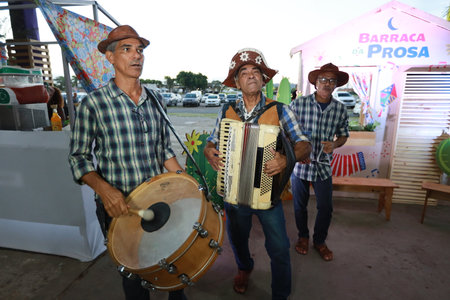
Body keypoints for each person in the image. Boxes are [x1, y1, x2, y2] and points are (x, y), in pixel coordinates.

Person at [68, 25, 187, 300]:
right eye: (127, 49)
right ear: (110, 57)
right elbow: (79, 157)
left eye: (140, 50)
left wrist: (187, 184)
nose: (137, 56)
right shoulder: (94, 104)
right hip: (121, 209)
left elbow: (164, 150)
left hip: (159, 201)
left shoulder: (157, 101)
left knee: (174, 266)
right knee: (134, 277)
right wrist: (104, 190)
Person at [204, 48, 311, 300]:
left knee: (280, 248)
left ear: (264, 79)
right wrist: (210, 151)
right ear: (237, 81)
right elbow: (212, 142)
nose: (251, 76)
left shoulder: (281, 110)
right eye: (244, 72)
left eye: (256, 71)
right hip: (233, 193)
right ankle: (244, 268)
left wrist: (287, 158)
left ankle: (280, 294)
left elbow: (304, 143)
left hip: (267, 193)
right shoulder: (226, 110)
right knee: (238, 240)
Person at [289, 63, 350, 262]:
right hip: (301, 165)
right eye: (323, 79)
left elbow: (343, 135)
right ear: (315, 83)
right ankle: (303, 237)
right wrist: (297, 151)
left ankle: (319, 241)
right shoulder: (299, 104)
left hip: (323, 165)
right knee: (299, 206)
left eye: (332, 80)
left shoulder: (340, 109)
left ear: (336, 85)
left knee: (326, 207)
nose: (327, 83)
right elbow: (286, 132)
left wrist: (335, 144)